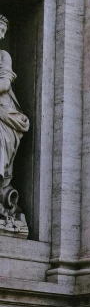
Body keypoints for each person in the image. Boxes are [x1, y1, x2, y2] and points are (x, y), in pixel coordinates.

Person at [0, 15, 29, 229]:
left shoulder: (3, 55)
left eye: (3, 31)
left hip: (4, 111)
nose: (1, 35)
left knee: (2, 148)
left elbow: (4, 84)